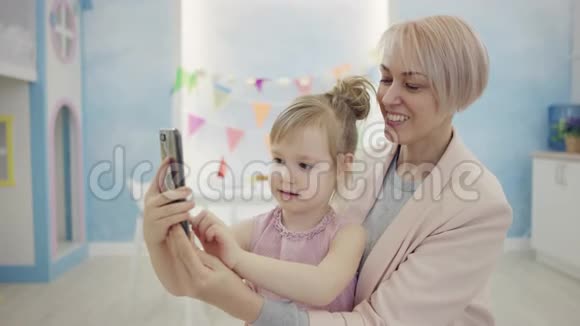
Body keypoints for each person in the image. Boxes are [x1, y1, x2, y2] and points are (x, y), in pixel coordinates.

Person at [145, 15, 513, 326]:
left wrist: (244, 301)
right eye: (386, 78)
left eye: (412, 84)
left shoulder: (478, 204)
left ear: (457, 93)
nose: (386, 97)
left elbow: (377, 321)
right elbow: (189, 277)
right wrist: (157, 231)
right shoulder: (361, 163)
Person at [183, 76, 373, 311]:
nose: (285, 175)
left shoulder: (349, 236)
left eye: (304, 165)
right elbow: (194, 268)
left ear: (343, 166)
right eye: (279, 160)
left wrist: (238, 259)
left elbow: (321, 287)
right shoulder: (255, 230)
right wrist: (191, 235)